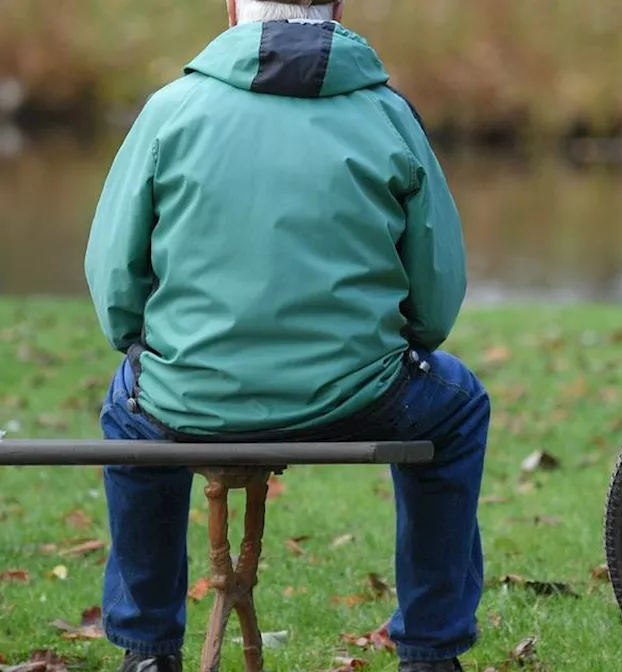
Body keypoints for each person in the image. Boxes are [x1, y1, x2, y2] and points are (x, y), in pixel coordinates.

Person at [82, 1, 487, 670]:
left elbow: (114, 280)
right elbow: (436, 297)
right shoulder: (389, 115)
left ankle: (149, 647)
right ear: (336, 9)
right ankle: (430, 650)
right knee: (459, 404)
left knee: (130, 408)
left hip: (189, 393)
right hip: (360, 397)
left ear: (233, 7)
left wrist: (139, 345)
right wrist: (397, 342)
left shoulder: (171, 110)